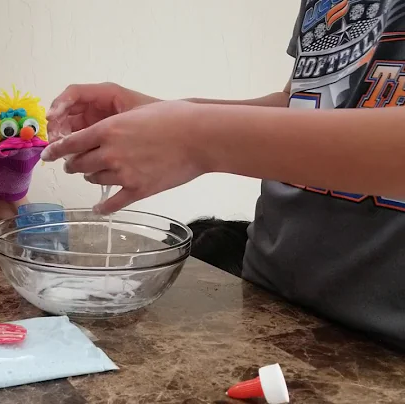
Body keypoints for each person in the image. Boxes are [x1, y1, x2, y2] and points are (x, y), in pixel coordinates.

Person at [41, 0, 405, 349]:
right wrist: (163, 114)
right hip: (269, 302)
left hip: (386, 342)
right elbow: (308, 103)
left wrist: (198, 137)